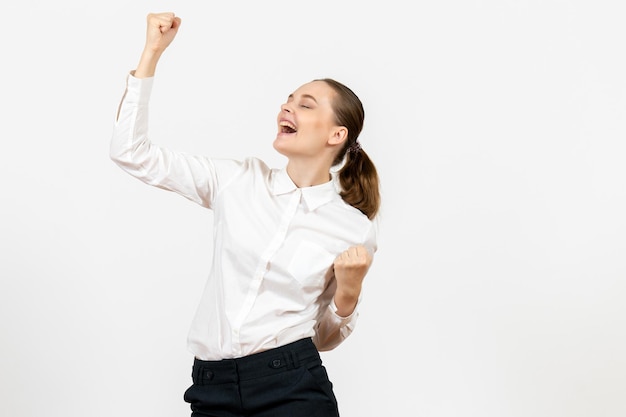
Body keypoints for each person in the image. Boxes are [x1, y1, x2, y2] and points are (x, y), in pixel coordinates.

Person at [110, 11, 381, 417]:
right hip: (211, 388)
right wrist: (151, 53)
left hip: (293, 385)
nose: (286, 107)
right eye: (288, 99)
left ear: (336, 135)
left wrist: (348, 294)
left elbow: (322, 338)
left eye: (305, 105)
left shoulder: (352, 229)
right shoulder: (237, 181)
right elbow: (131, 153)